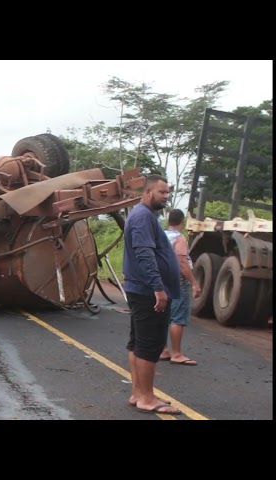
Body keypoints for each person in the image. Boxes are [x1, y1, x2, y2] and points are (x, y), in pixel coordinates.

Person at [123, 174, 182, 415]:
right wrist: (158, 288)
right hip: (148, 292)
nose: (166, 197)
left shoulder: (144, 215)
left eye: (168, 193)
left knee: (138, 343)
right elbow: (144, 253)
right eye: (162, 193)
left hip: (143, 290)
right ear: (148, 192)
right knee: (149, 345)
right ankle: (146, 398)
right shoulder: (142, 217)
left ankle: (139, 393)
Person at [159, 209, 201, 364]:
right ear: (182, 222)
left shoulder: (162, 235)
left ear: (169, 221)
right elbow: (182, 262)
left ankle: (163, 350)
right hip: (178, 281)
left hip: (162, 280)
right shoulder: (180, 238)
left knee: (163, 315)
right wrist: (194, 282)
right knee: (177, 317)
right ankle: (176, 354)